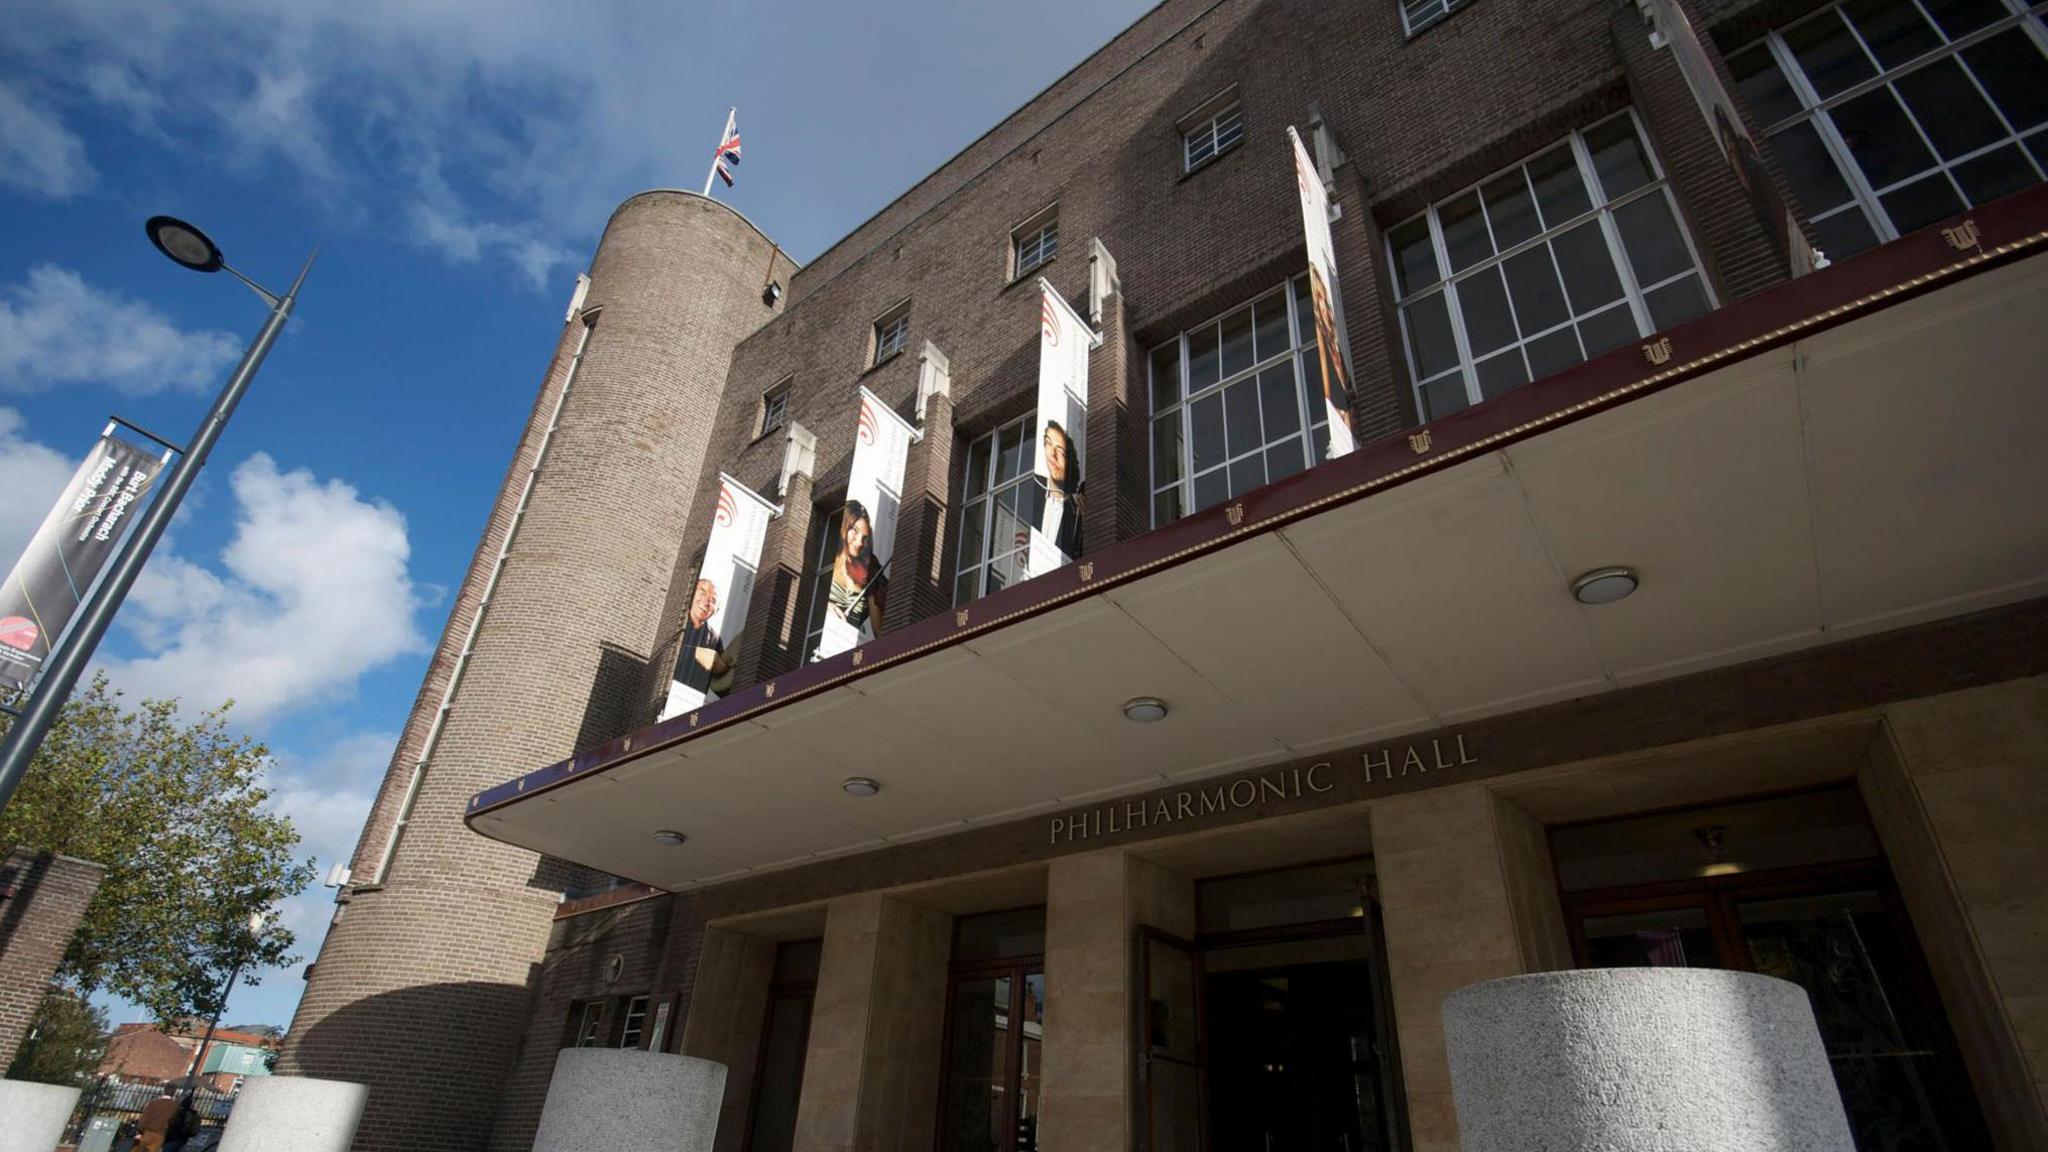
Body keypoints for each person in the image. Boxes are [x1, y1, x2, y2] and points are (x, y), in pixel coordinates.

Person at [1307, 265, 1356, 439]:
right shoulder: (1326, 355)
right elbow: (1334, 400)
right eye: (1319, 300)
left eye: (1325, 300)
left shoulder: (1337, 348)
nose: (1325, 307)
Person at [827, 500, 888, 635]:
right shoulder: (827, 556)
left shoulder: (870, 570)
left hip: (846, 643)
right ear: (844, 526)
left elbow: (879, 631)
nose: (859, 542)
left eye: (864, 537)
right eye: (855, 530)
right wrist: (825, 606)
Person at [673, 578, 733, 696]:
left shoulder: (715, 639)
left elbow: (720, 683)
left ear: (717, 610)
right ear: (691, 594)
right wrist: (695, 653)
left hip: (693, 700)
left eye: (713, 600)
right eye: (703, 593)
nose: (706, 602)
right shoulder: (675, 619)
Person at [1037, 419, 1083, 559]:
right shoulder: (1032, 487)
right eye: (1049, 444)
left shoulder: (1077, 514)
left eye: (1061, 452)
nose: (1053, 455)